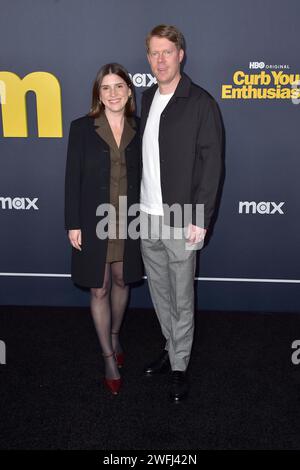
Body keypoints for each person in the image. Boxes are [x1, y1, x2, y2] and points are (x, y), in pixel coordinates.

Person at [140, 25, 223, 402]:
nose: (160, 60)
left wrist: (200, 220)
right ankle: (171, 347)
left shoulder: (200, 102)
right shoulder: (146, 98)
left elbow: (211, 167)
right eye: (154, 53)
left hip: (183, 217)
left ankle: (180, 365)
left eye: (167, 52)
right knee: (159, 293)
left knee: (182, 295)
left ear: (181, 54)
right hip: (146, 215)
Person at [65, 63, 142, 395]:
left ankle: (114, 333)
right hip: (94, 218)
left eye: (119, 87)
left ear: (129, 91)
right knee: (99, 287)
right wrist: (73, 223)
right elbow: (72, 178)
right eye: (106, 88)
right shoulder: (82, 128)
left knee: (123, 279)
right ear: (99, 93)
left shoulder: (141, 127)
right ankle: (109, 357)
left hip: (130, 217)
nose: (113, 94)